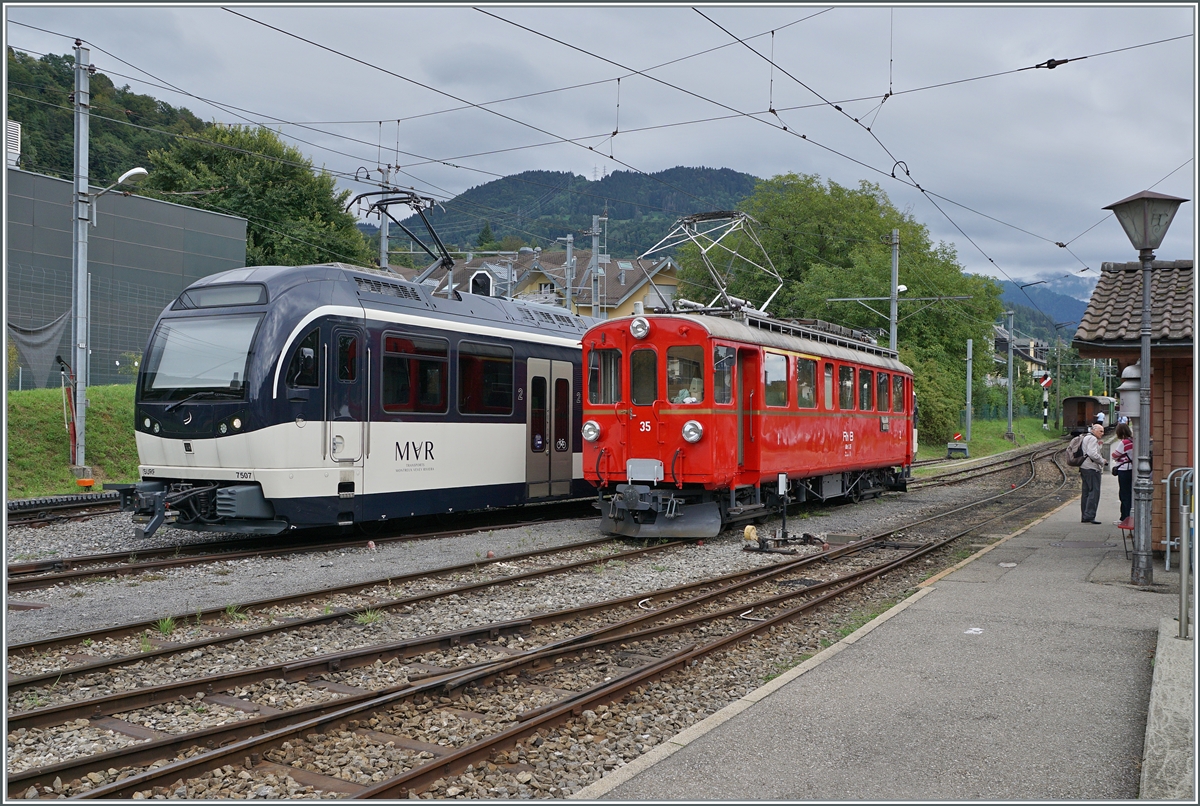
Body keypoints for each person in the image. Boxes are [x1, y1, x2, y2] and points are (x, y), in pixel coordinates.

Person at [1079, 422, 1107, 524]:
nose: (1102, 433)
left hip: (1084, 467)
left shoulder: (1086, 437)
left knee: (1086, 492)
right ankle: (1090, 515)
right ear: (1094, 430)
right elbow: (1092, 453)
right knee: (1094, 492)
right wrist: (1102, 461)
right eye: (1100, 431)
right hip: (1092, 468)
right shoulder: (1092, 439)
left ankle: (1085, 515)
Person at [1111, 422, 1134, 524]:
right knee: (1129, 493)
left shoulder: (1124, 443)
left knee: (1124, 495)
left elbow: (1115, 455)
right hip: (1132, 469)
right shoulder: (1133, 441)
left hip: (1124, 470)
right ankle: (1129, 516)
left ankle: (1124, 518)